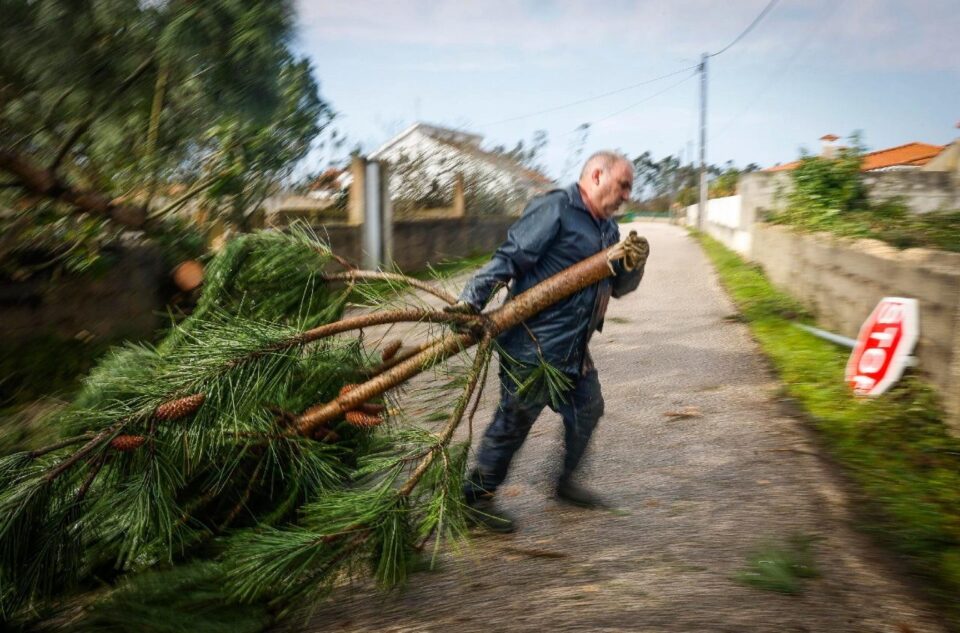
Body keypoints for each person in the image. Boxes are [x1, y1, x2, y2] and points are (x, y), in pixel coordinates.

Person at [446, 151, 649, 533]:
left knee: (588, 408)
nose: (626, 195)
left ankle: (565, 483)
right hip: (532, 344)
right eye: (623, 185)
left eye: (628, 189)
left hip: (573, 348)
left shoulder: (608, 230)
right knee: (515, 421)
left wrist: (635, 265)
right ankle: (475, 500)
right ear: (596, 175)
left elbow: (617, 289)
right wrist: (470, 300)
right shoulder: (556, 208)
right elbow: (510, 257)